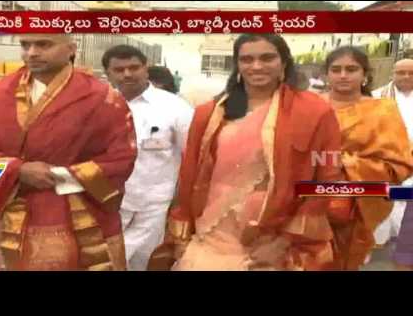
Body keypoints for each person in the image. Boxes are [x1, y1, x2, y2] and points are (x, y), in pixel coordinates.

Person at [148, 33, 344, 271]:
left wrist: (283, 243)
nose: (257, 66)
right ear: (237, 65)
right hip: (210, 232)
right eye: (247, 59)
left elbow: (327, 178)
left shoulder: (315, 112)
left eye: (267, 58)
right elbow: (189, 174)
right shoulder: (210, 113)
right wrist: (180, 233)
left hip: (275, 236)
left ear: (284, 63)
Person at [0, 34, 137, 271]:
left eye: (44, 44)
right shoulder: (0, 94)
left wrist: (61, 176)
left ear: (71, 49)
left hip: (80, 212)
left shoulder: (102, 97)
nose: (31, 52)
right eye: (25, 45)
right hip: (13, 210)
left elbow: (122, 159)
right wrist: (18, 170)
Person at [320, 46, 413, 270]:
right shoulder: (309, 106)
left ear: (364, 75)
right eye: (336, 69)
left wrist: (345, 164)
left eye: (351, 69)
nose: (343, 75)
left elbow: (400, 164)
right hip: (305, 202)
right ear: (326, 74)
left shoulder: (382, 110)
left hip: (355, 208)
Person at [103, 45, 194, 271]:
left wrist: (183, 203)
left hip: (153, 205)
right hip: (106, 202)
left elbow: (192, 156)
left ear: (146, 69)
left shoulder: (174, 107)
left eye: (134, 67)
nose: (127, 74)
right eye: (119, 69)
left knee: (145, 262)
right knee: (104, 261)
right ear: (108, 73)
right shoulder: (98, 104)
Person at [372, 59, 413, 250]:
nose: (406, 76)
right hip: (386, 159)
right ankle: (379, 241)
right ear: (392, 74)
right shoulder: (376, 97)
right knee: (384, 199)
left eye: (411, 73)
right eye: (401, 72)